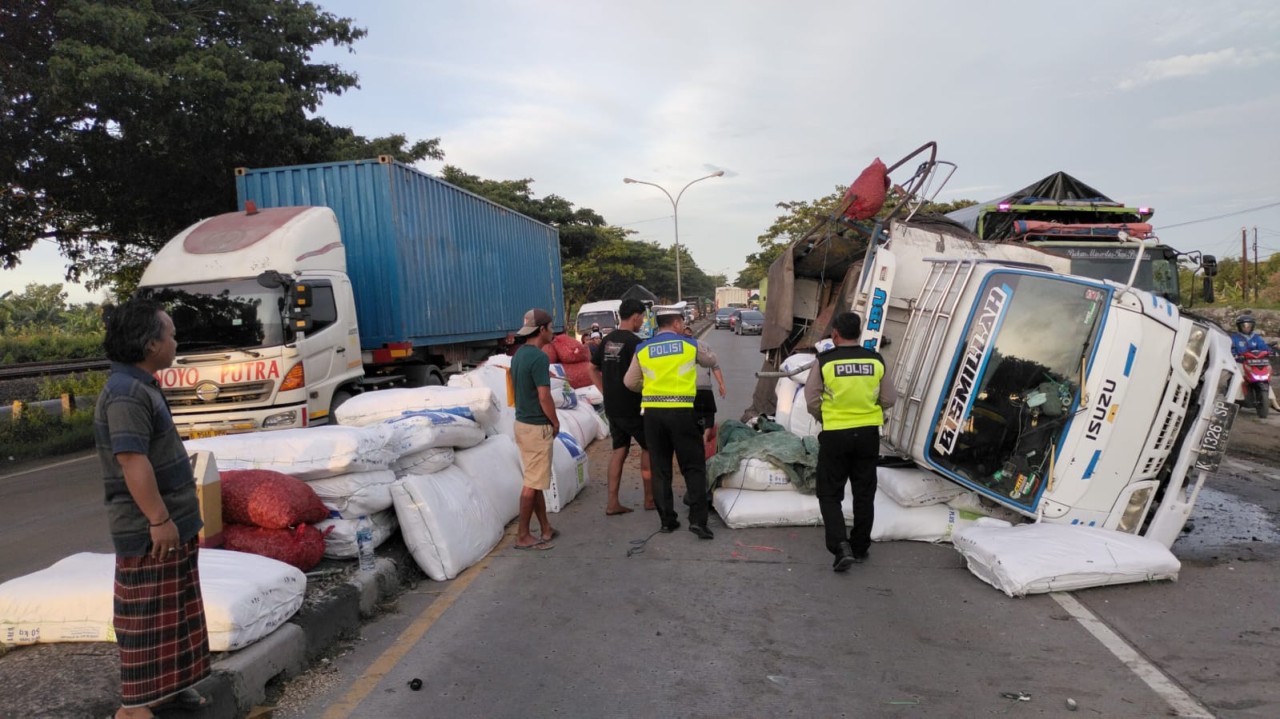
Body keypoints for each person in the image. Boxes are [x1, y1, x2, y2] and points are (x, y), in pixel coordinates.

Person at [95, 299, 211, 718]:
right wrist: (159, 520)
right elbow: (132, 460)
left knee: (174, 617)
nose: (176, 342)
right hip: (150, 532)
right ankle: (135, 707)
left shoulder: (142, 385)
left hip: (173, 525)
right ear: (150, 344)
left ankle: (169, 692)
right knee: (146, 622)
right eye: (171, 334)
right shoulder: (125, 393)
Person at [804, 311, 897, 572]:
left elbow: (811, 399)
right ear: (858, 333)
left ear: (835, 334)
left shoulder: (825, 361)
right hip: (867, 435)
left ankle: (840, 546)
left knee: (829, 492)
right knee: (864, 492)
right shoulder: (875, 360)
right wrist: (869, 409)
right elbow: (889, 398)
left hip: (835, 434)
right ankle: (859, 546)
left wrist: (825, 416)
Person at [624, 304, 719, 539]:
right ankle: (698, 522)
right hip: (683, 413)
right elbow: (711, 360)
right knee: (693, 467)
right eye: (681, 322)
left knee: (660, 469)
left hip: (653, 415)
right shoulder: (689, 345)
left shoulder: (643, 348)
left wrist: (649, 387)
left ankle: (667, 521)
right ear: (676, 323)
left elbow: (630, 382)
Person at [590, 299, 654, 515]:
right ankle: (649, 499)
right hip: (632, 405)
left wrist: (605, 391)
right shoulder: (636, 343)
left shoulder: (607, 340)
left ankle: (612, 503)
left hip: (612, 406)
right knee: (648, 447)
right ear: (635, 317)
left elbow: (591, 368)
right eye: (642, 318)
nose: (642, 322)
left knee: (619, 449)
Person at [511, 308, 561, 550]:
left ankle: (545, 528)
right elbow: (544, 396)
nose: (553, 332)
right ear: (541, 329)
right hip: (536, 427)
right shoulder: (540, 358)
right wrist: (555, 422)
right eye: (551, 328)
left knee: (535, 478)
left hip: (522, 424)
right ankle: (522, 535)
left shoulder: (519, 355)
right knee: (532, 483)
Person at [683, 325, 726, 444]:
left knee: (702, 415)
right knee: (707, 415)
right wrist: (721, 384)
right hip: (697, 389)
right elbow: (714, 365)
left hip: (692, 389)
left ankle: (702, 439)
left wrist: (721, 384)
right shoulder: (700, 345)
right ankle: (704, 439)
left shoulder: (679, 347)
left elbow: (714, 365)